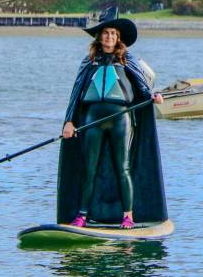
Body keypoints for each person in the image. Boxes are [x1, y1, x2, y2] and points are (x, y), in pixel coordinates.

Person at [57, 18, 167, 229]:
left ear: (118, 38)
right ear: (99, 37)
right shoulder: (89, 62)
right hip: (93, 120)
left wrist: (154, 96)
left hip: (120, 119)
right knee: (90, 169)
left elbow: (143, 88)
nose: (109, 37)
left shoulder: (127, 59)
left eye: (113, 34)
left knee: (122, 167)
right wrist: (69, 122)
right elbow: (76, 94)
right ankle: (82, 215)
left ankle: (128, 216)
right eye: (106, 33)